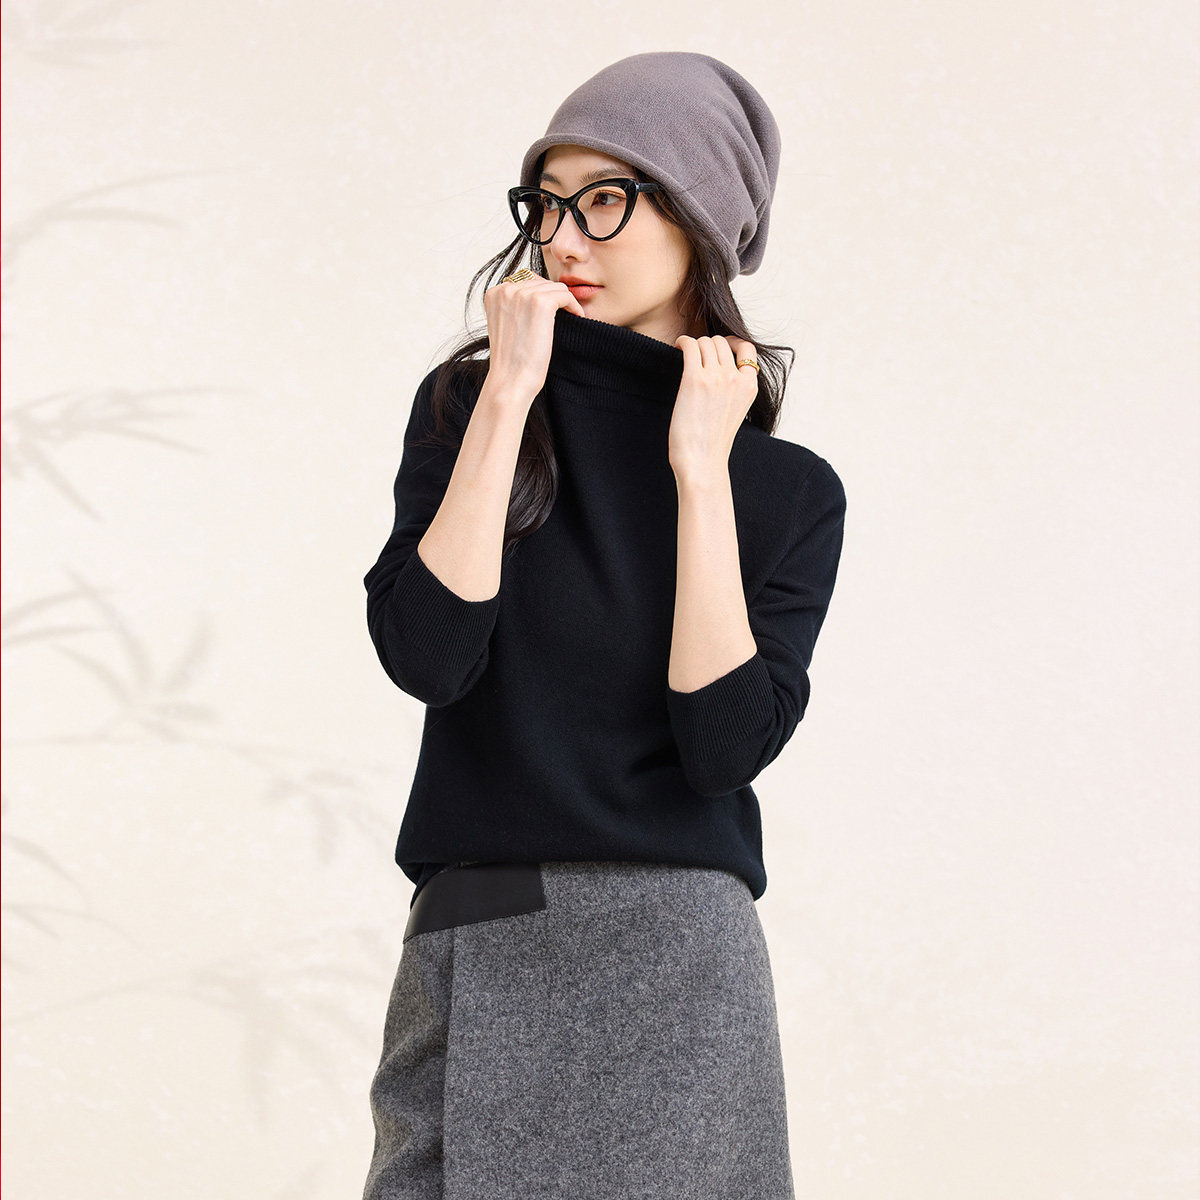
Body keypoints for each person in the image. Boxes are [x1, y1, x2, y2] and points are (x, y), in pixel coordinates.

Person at [360, 51, 847, 1200]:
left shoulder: (787, 491)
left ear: (697, 220)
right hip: (485, 921)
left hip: (679, 952)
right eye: (546, 205)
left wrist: (701, 472)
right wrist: (506, 394)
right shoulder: (471, 411)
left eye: (605, 201)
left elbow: (720, 746)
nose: (564, 240)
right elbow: (427, 655)